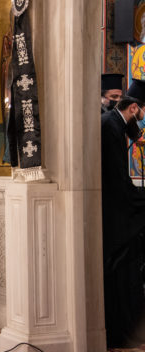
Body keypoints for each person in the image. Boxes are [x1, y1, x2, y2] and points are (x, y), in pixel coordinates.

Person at [101, 79, 145, 348]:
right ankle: (125, 335)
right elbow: (117, 181)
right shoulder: (111, 127)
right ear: (134, 109)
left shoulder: (114, 123)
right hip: (115, 218)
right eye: (142, 112)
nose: (142, 119)